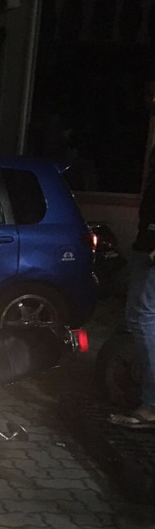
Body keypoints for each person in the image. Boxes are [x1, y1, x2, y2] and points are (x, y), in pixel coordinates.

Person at [110, 79, 155, 428]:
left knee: (142, 318)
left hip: (152, 247)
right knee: (141, 318)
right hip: (146, 243)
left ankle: (151, 405)